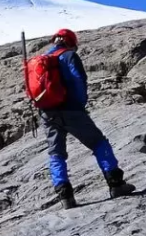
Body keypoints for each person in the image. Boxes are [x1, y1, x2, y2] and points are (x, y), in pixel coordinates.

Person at [39, 28, 136, 209]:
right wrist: (80, 105)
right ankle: (116, 184)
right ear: (71, 42)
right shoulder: (69, 56)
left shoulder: (41, 60)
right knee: (99, 142)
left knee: (56, 153)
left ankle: (65, 197)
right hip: (71, 110)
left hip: (47, 112)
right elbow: (79, 81)